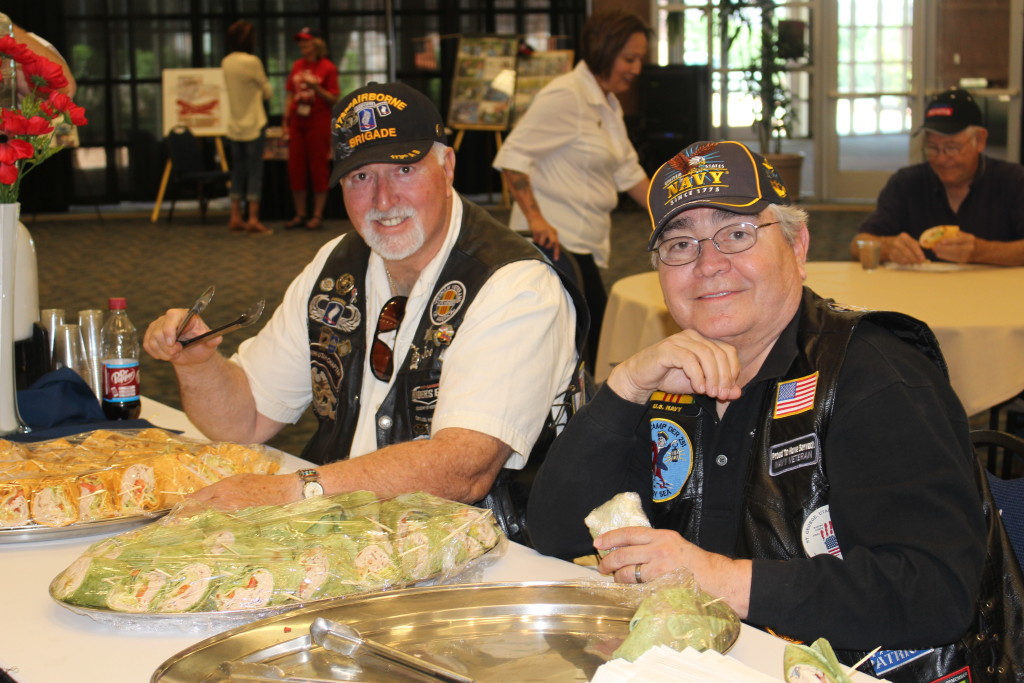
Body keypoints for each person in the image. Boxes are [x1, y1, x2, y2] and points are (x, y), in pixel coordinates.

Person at [528, 140, 1022, 682]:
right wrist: (625, 387)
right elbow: (559, 535)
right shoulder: (669, 381)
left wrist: (715, 578)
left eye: (737, 234)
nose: (708, 265)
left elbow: (933, 593)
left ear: (798, 245)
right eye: (680, 245)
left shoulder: (876, 378)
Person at [144, 82, 585, 543]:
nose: (383, 200)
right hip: (353, 535)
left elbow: (464, 468)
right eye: (360, 177)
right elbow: (245, 420)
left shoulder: (515, 284)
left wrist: (294, 492)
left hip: (486, 554)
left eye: (404, 169)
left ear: (447, 166)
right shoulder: (338, 262)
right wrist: (197, 365)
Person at [492, 9, 650, 367]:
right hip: (556, 244)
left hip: (585, 241)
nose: (636, 69)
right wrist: (537, 220)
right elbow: (513, 157)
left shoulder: (608, 103)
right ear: (604, 50)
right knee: (589, 343)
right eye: (630, 58)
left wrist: (681, 210)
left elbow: (630, 173)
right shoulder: (565, 95)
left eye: (640, 59)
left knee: (586, 343)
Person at [851, 88, 1024, 266]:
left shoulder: (1013, 180)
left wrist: (981, 252)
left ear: (979, 141)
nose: (941, 159)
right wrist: (888, 247)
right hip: (920, 291)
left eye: (951, 148)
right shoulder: (906, 183)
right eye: (932, 148)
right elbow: (859, 244)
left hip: (995, 291)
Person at [282, 27, 339, 231]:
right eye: (300, 43)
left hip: (318, 120)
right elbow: (289, 94)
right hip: (298, 121)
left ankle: (317, 215)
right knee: (296, 168)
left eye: (306, 42)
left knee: (318, 168)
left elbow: (334, 98)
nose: (302, 46)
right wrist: (285, 120)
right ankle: (300, 214)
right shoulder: (297, 65)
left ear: (316, 43)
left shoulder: (328, 67)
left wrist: (316, 88)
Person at [221, 19, 273, 235]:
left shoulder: (226, 62)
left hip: (233, 124)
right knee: (254, 172)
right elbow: (268, 91)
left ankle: (234, 216)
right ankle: (252, 218)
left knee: (237, 171)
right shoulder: (252, 62)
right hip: (254, 123)